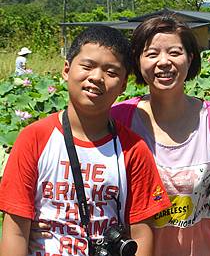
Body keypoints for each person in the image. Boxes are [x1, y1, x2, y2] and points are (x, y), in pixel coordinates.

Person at [0, 25, 171, 256]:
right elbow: (16, 231)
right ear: (66, 70)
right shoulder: (34, 138)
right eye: (87, 66)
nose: (97, 77)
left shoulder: (134, 149)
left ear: (123, 85)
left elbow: (141, 235)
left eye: (111, 72)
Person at [111, 15, 210, 256]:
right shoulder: (120, 119)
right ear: (138, 60)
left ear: (190, 58)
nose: (164, 62)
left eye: (175, 52)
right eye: (152, 54)